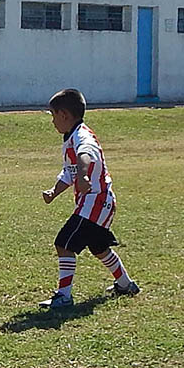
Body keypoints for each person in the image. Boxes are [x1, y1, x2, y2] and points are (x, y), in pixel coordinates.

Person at [41, 89, 140, 307]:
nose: (52, 122)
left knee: (64, 244)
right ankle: (125, 284)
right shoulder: (70, 138)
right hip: (99, 202)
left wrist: (85, 174)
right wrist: (53, 192)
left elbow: (86, 154)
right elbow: (69, 172)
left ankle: (64, 296)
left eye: (53, 115)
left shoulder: (81, 136)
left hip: (95, 201)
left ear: (64, 115)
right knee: (99, 248)